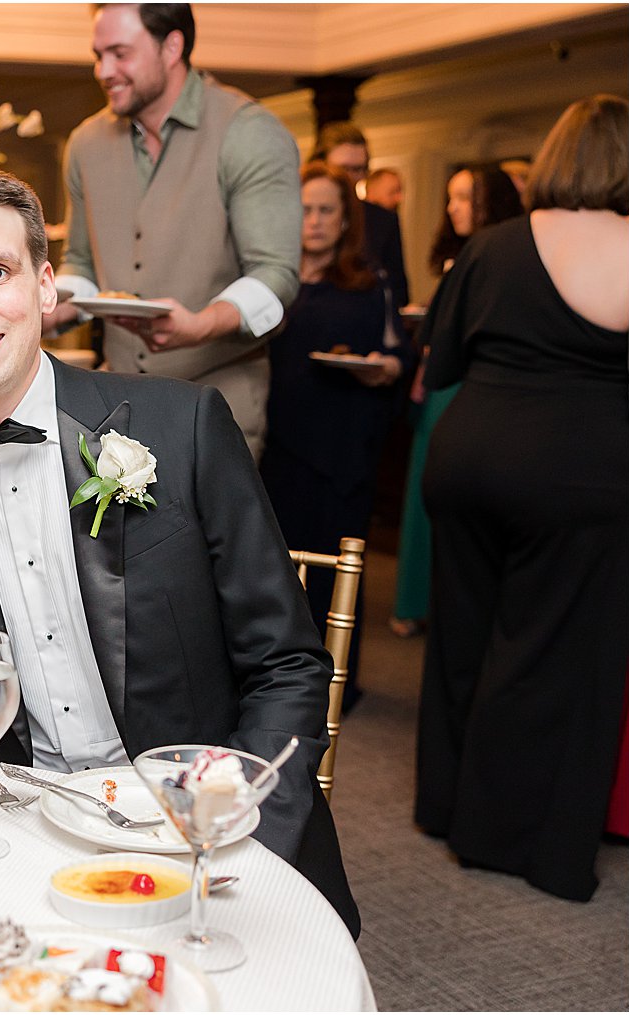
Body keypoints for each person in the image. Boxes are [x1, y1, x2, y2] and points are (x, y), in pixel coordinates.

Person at [0, 165, 359, 936]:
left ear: (46, 286)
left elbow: (288, 664)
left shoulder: (181, 428)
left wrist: (225, 831)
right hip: (18, 845)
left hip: (208, 833)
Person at [415, 95, 629, 901]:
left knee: (462, 635)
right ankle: (507, 835)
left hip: (468, 450)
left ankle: (443, 803)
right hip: (578, 467)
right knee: (552, 652)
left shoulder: (495, 244)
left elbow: (442, 363)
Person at [47, 2, 300, 460]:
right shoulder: (85, 144)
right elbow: (83, 264)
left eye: (120, 53)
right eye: (97, 54)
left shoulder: (248, 132)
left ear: (172, 46)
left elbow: (276, 274)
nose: (104, 70)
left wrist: (203, 325)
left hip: (219, 413)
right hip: (114, 414)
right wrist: (50, 308)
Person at [261, 162, 410, 697]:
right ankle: (273, 688)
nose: (315, 221)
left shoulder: (371, 286)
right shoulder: (272, 283)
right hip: (275, 444)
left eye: (327, 210)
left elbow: (398, 357)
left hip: (342, 448)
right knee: (272, 571)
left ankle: (333, 689)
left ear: (346, 220)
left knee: (335, 574)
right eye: (305, 210)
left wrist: (382, 368)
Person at [390, 164, 522, 638]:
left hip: (480, 387)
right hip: (442, 383)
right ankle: (416, 602)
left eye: (465, 197)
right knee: (424, 497)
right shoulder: (455, 256)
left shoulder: (509, 254)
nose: (453, 208)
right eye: (451, 198)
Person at [310, 120, 410, 311]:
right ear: (321, 164)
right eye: (342, 168)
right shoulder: (303, 216)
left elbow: (398, 291)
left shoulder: (383, 220)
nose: (350, 177)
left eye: (358, 169)